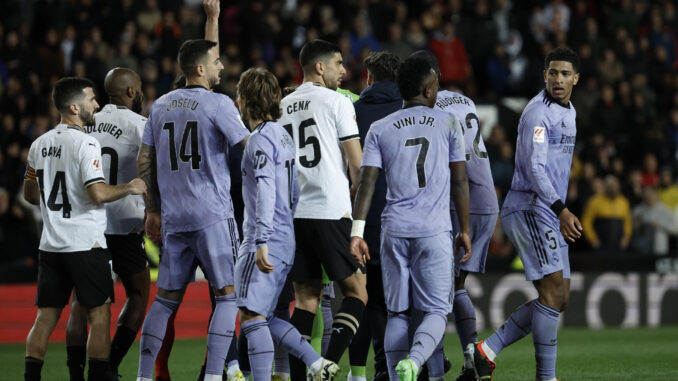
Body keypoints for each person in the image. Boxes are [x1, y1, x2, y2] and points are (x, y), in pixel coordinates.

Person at [350, 56, 472, 381]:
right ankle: (415, 361)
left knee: (397, 314)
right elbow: (460, 181)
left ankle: (397, 373)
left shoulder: (380, 128)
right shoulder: (447, 122)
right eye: (436, 83)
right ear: (426, 88)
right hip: (433, 231)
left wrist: (357, 232)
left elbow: (367, 183)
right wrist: (466, 229)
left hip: (394, 231)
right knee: (435, 311)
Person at [135, 38, 249, 381]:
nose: (221, 67)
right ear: (200, 68)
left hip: (174, 217)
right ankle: (216, 375)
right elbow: (248, 148)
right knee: (228, 297)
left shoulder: (160, 106)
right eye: (216, 62)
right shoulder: (219, 103)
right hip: (213, 214)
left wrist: (152, 209)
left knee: (165, 300)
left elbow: (144, 159)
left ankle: (143, 376)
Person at [23, 77, 146, 381]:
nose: (97, 104)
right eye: (91, 99)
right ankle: (100, 377)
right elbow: (98, 193)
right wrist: (130, 187)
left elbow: (29, 194)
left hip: (51, 245)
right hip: (85, 246)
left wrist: (57, 199)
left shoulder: (40, 144)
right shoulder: (86, 142)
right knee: (99, 316)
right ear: (75, 107)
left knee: (45, 319)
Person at [471, 47, 582, 381]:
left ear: (576, 78)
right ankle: (545, 377)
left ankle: (486, 351)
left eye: (565, 73)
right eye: (552, 72)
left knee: (559, 297)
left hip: (549, 209)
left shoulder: (570, 111)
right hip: (531, 206)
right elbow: (534, 168)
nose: (558, 79)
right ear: (544, 75)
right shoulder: (537, 114)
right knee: (551, 292)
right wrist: (561, 208)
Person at [234, 66, 338, 381]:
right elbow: (293, 191)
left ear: (246, 100)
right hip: (285, 236)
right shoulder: (282, 134)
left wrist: (262, 239)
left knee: (251, 317)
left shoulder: (259, 140)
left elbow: (265, 188)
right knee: (262, 315)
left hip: (263, 239)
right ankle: (316, 363)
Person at [277, 39, 367, 380]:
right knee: (357, 293)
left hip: (294, 214)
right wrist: (359, 220)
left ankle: (305, 373)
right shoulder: (337, 103)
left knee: (306, 300)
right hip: (330, 211)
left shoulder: (282, 105)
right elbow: (357, 169)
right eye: (339, 64)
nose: (344, 71)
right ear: (320, 67)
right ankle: (327, 364)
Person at [410, 50, 499, 381]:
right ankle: (471, 360)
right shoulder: (465, 101)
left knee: (433, 292)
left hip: (456, 201)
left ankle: (433, 369)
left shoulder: (428, 108)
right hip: (487, 200)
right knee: (457, 286)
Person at [65, 67, 150, 380]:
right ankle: (109, 366)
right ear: (130, 92)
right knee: (139, 292)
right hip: (124, 221)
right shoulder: (141, 124)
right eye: (139, 88)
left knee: (79, 301)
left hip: (85, 223)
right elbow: (152, 167)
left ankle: (76, 374)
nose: (141, 94)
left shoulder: (84, 122)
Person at [348, 50, 402, 381]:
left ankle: (381, 366)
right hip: (410, 216)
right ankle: (419, 360)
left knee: (373, 298)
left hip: (366, 217)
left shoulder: (353, 112)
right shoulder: (412, 110)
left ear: (369, 78)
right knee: (406, 299)